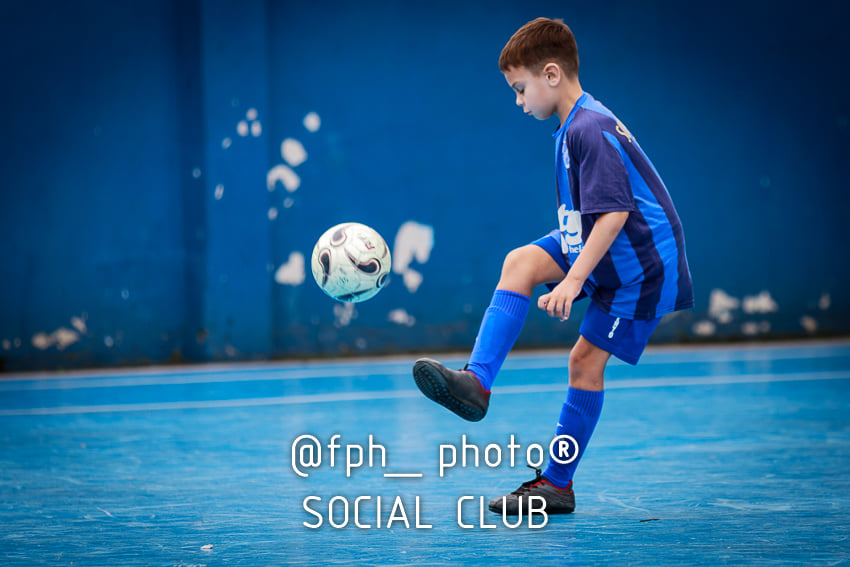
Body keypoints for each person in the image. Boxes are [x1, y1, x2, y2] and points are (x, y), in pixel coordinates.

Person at [412, 17, 694, 515]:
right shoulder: (571, 128)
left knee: (584, 363)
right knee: (519, 263)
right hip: (601, 243)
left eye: (519, 88)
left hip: (638, 265)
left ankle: (557, 484)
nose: (518, 101)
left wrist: (573, 279)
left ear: (550, 74)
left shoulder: (590, 126)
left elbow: (614, 214)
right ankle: (477, 383)